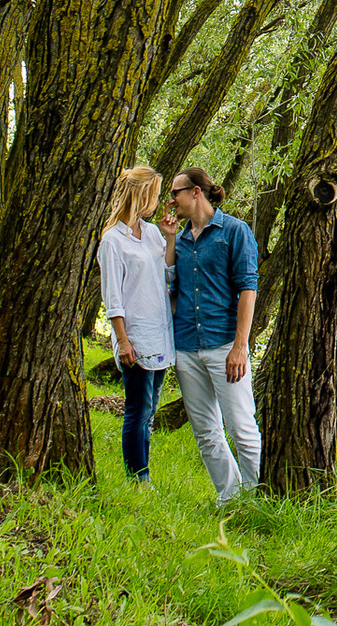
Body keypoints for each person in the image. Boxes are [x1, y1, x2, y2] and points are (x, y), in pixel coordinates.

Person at [168, 165, 260, 503]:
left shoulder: (234, 231)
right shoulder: (177, 241)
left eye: (175, 192)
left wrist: (240, 347)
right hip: (187, 347)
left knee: (241, 427)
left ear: (195, 192)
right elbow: (173, 291)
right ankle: (230, 499)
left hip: (224, 345)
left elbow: (248, 288)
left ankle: (257, 499)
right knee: (206, 432)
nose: (171, 200)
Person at [95, 166, 175, 485]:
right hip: (135, 335)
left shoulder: (153, 233)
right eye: (154, 195)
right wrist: (122, 339)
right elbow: (113, 295)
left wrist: (170, 238)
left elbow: (167, 275)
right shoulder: (112, 240)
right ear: (141, 196)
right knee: (138, 409)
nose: (157, 202)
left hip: (160, 332)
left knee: (150, 412)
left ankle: (143, 473)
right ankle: (138, 477)